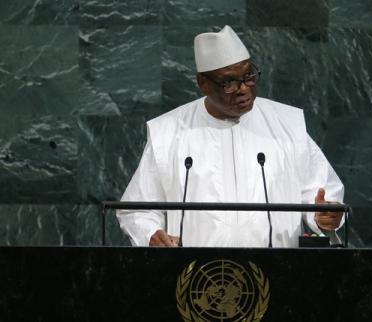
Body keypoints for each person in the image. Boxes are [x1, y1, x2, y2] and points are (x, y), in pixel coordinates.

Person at [116, 25, 344, 247]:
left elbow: (322, 195)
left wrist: (325, 215)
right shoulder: (168, 132)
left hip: (278, 273)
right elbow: (138, 208)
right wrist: (151, 234)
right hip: (197, 278)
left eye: (249, 76)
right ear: (203, 84)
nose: (244, 88)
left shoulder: (287, 124)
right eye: (229, 82)